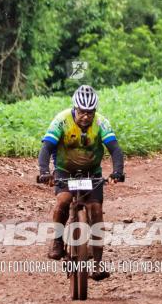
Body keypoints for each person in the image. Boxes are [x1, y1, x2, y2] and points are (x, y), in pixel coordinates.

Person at [37, 85, 125, 280]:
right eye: (82, 112)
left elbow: (115, 150)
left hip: (91, 173)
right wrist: (45, 172)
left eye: (90, 112)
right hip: (64, 171)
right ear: (75, 108)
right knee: (63, 200)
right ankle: (58, 241)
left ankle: (97, 265)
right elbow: (46, 148)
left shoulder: (102, 123)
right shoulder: (61, 120)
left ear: (95, 111)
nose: (86, 116)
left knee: (95, 210)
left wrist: (117, 171)